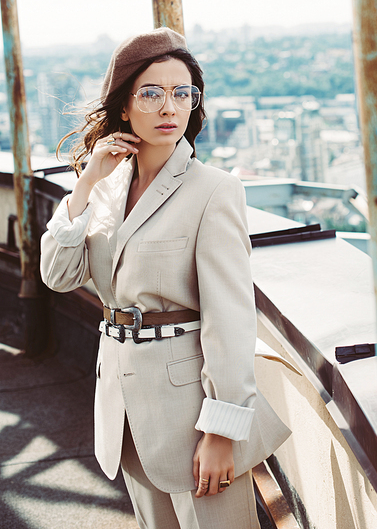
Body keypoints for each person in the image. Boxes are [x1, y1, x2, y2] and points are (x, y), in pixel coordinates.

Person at [40, 28, 291, 529]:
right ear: (125, 107)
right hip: (125, 404)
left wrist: (222, 430)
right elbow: (58, 275)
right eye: (152, 93)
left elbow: (231, 318)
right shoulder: (107, 190)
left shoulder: (214, 191)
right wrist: (87, 180)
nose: (169, 107)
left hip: (192, 409)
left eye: (183, 93)